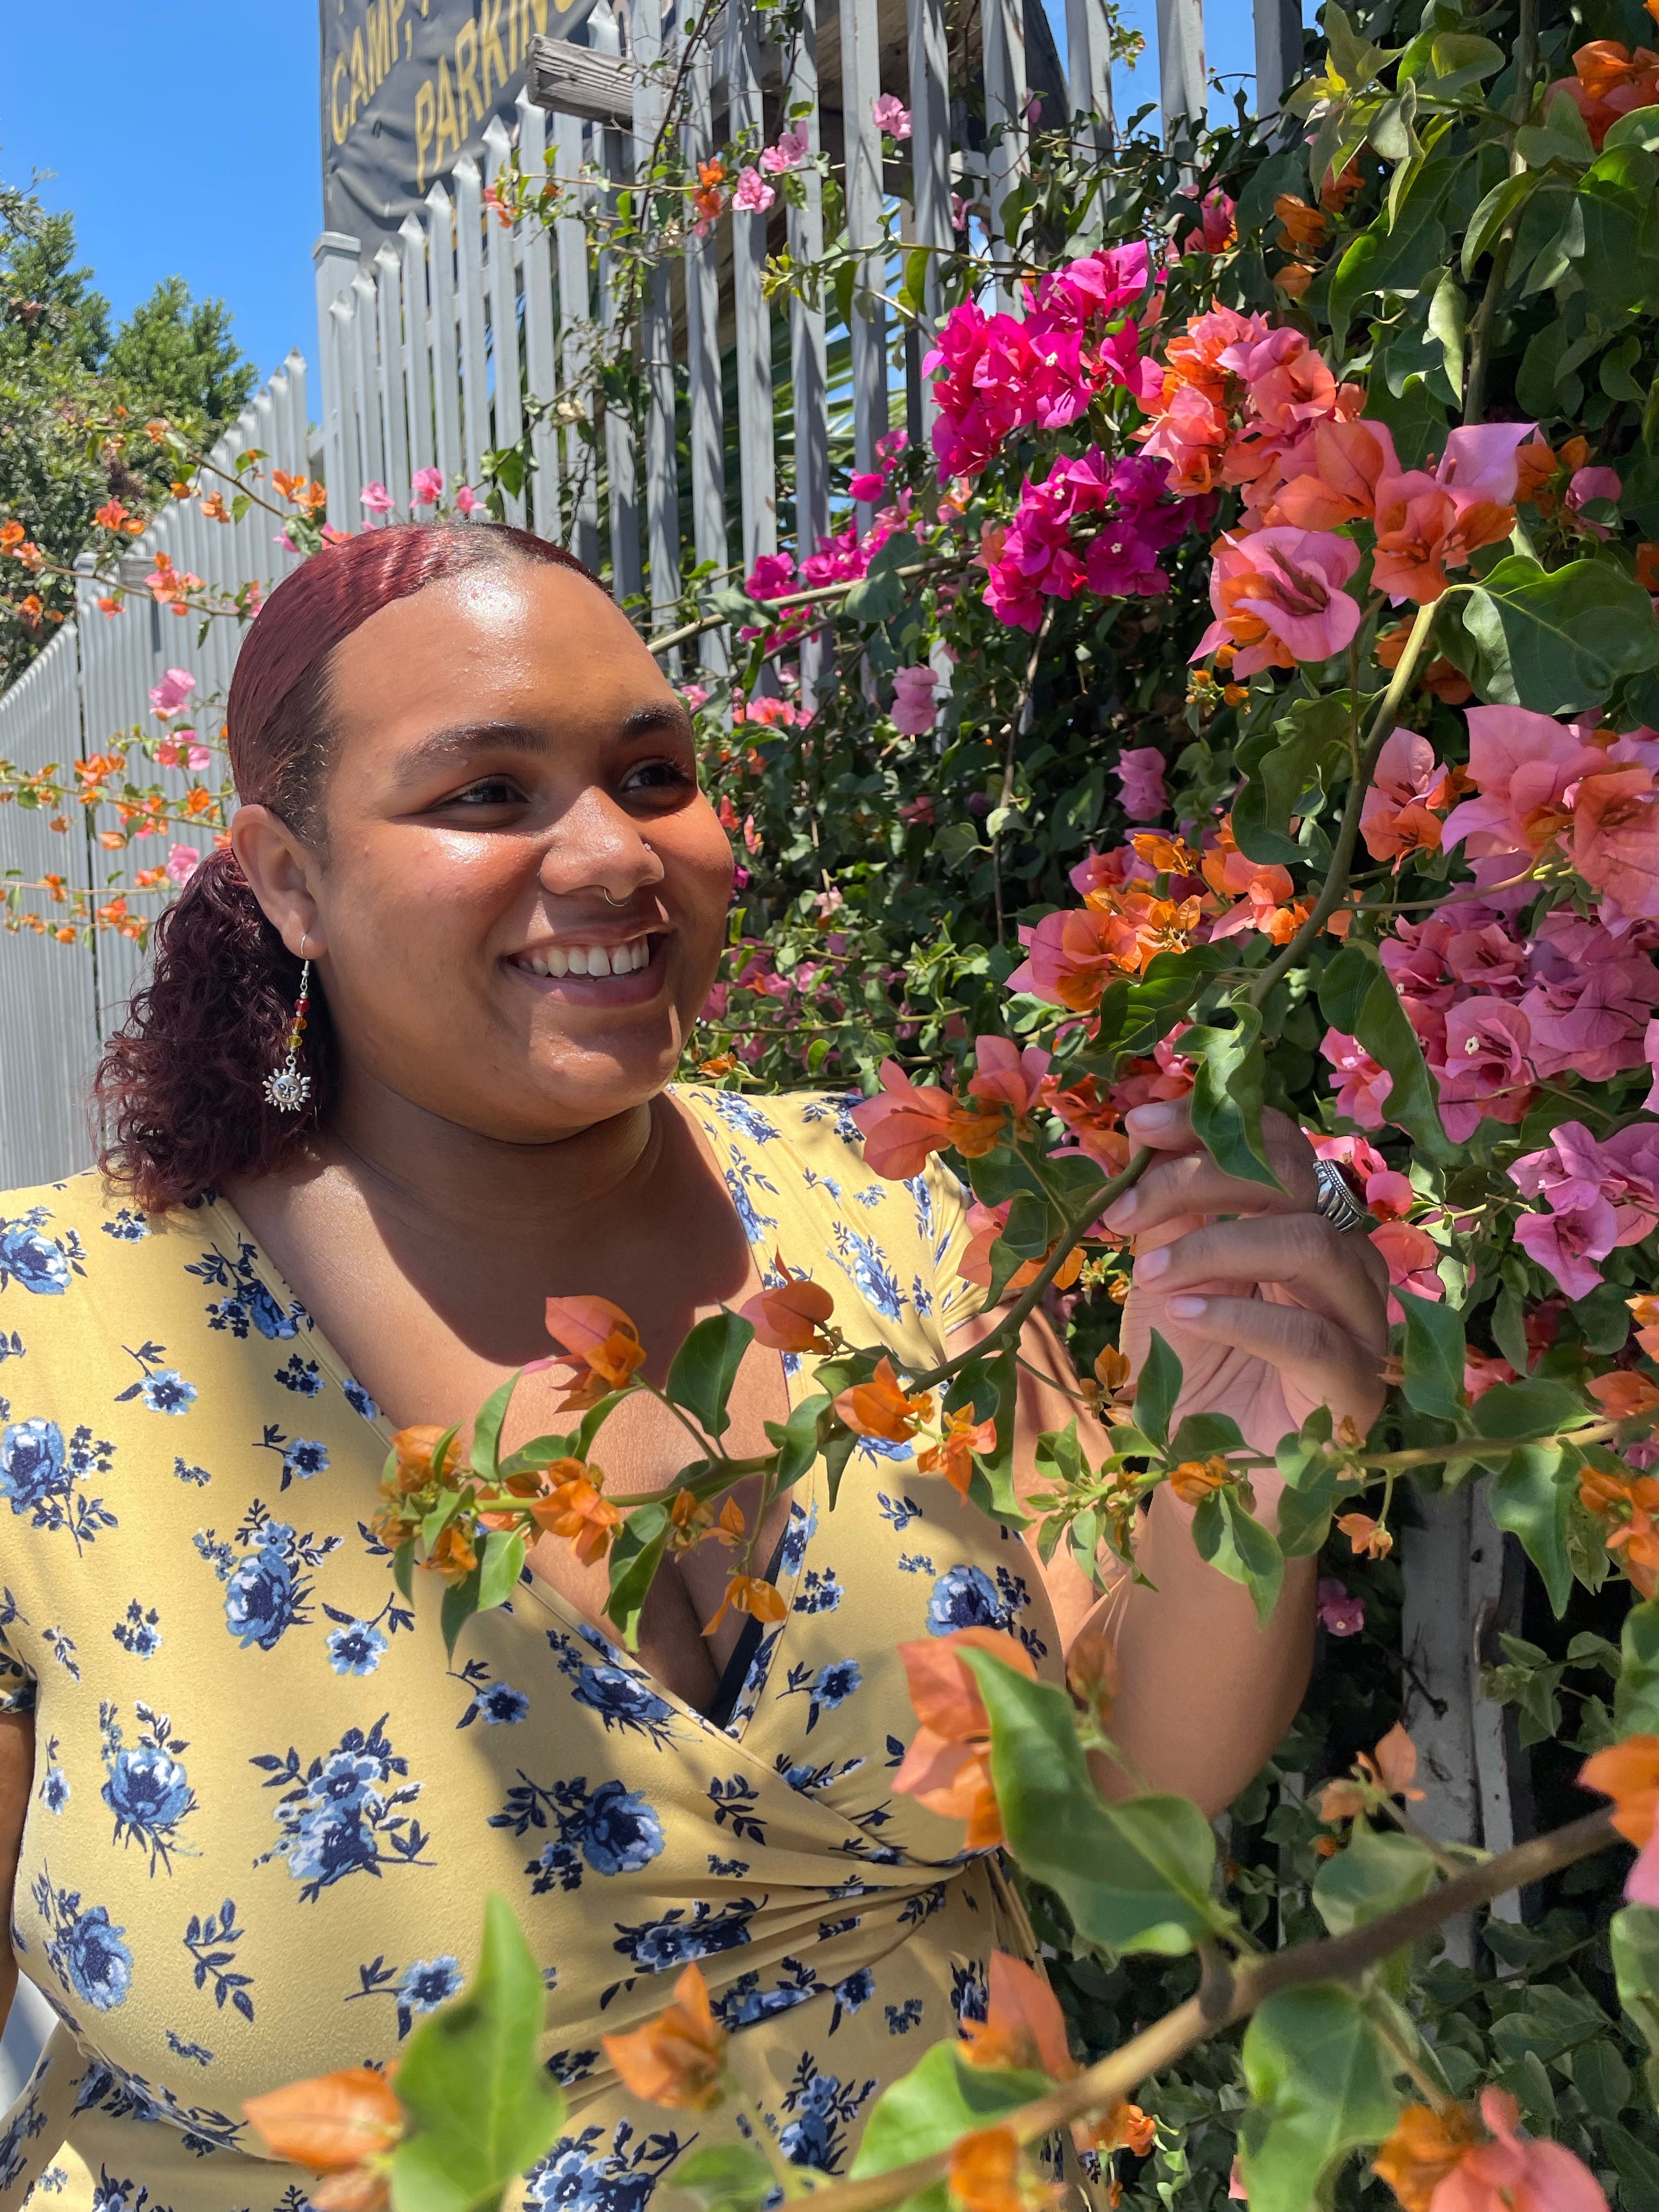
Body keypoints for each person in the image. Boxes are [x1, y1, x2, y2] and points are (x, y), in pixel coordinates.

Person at [0, 523, 1387, 2212]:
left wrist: (1256, 1457)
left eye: (653, 773)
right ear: (290, 880)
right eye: (486, 794)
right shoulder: (51, 1340)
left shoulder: (885, 1214)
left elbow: (1135, 1779)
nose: (612, 857)